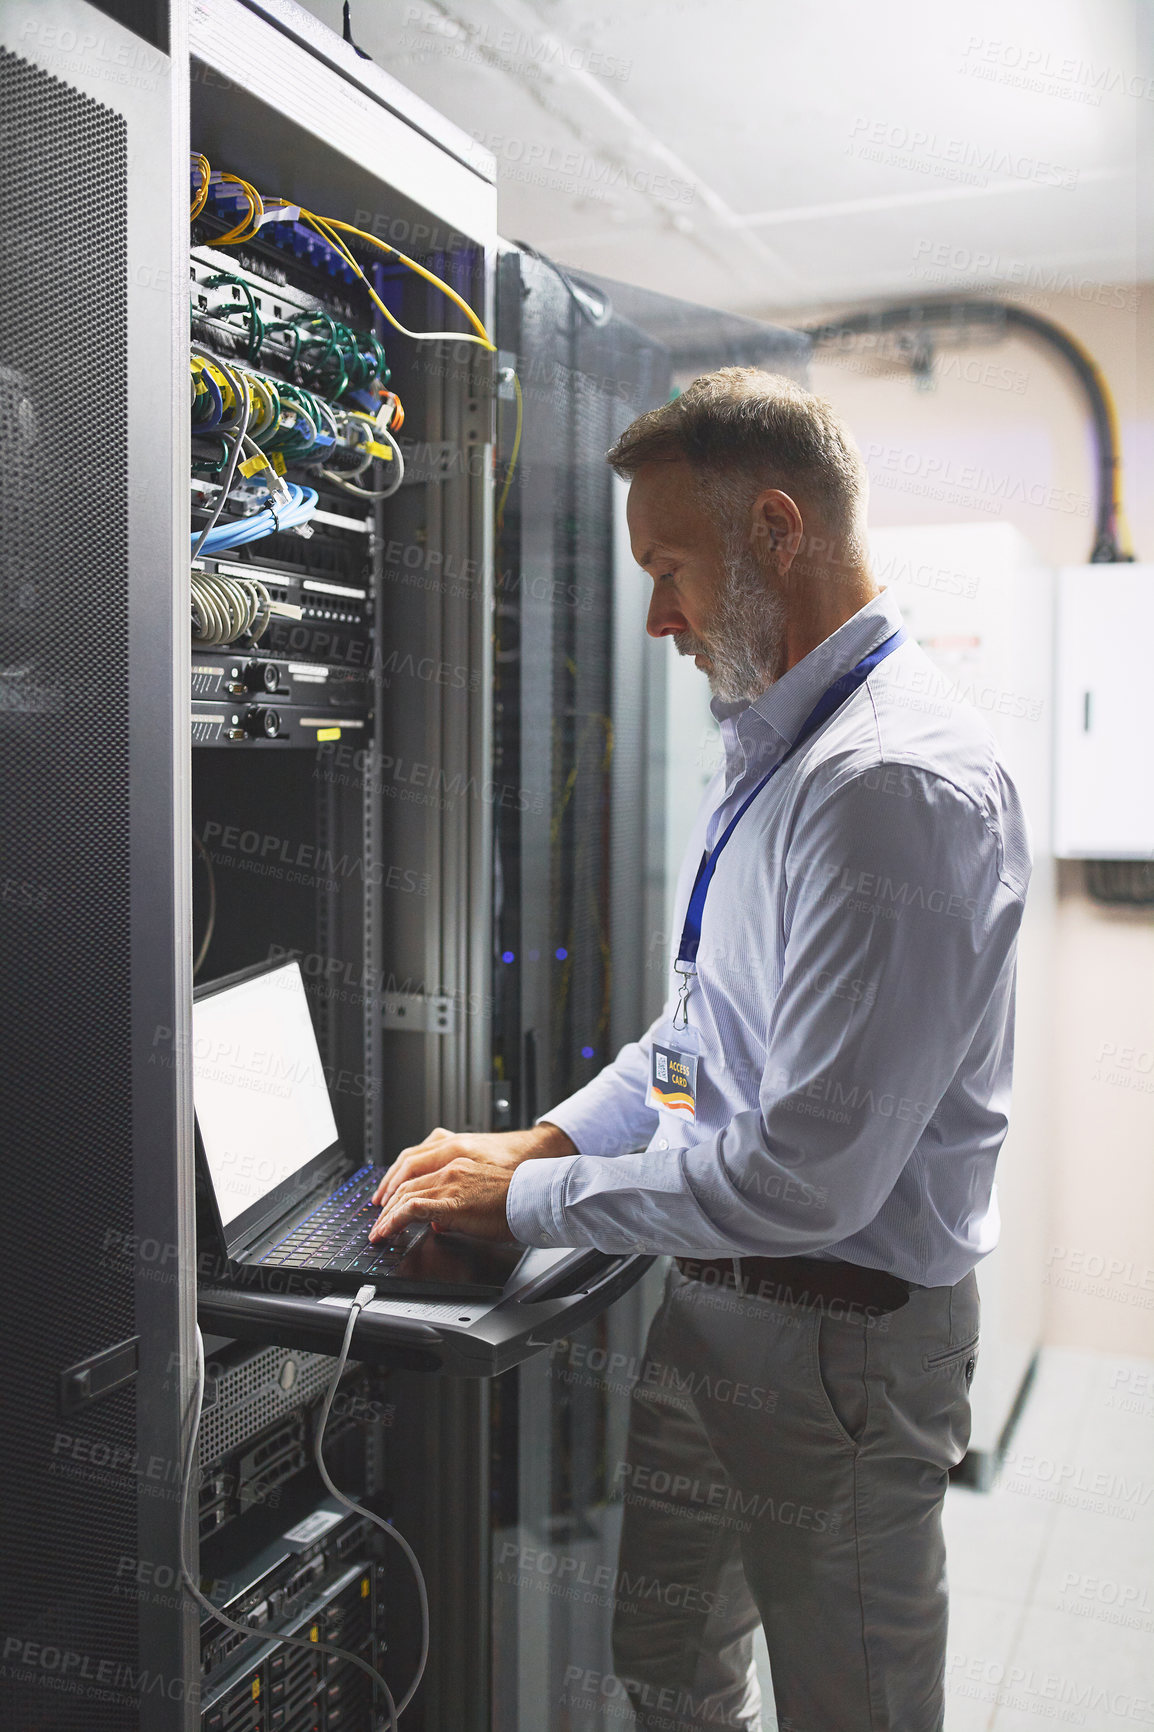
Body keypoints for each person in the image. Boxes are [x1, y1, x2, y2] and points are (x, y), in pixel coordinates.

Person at [369, 368, 1030, 1730]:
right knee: (668, 1674)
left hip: (842, 1354)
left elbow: (807, 1178)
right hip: (714, 1315)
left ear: (776, 531)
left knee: (856, 1709)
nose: (658, 614)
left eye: (669, 566)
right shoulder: (779, 748)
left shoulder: (889, 786)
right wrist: (545, 1137)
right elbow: (702, 1042)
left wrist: (527, 1201)